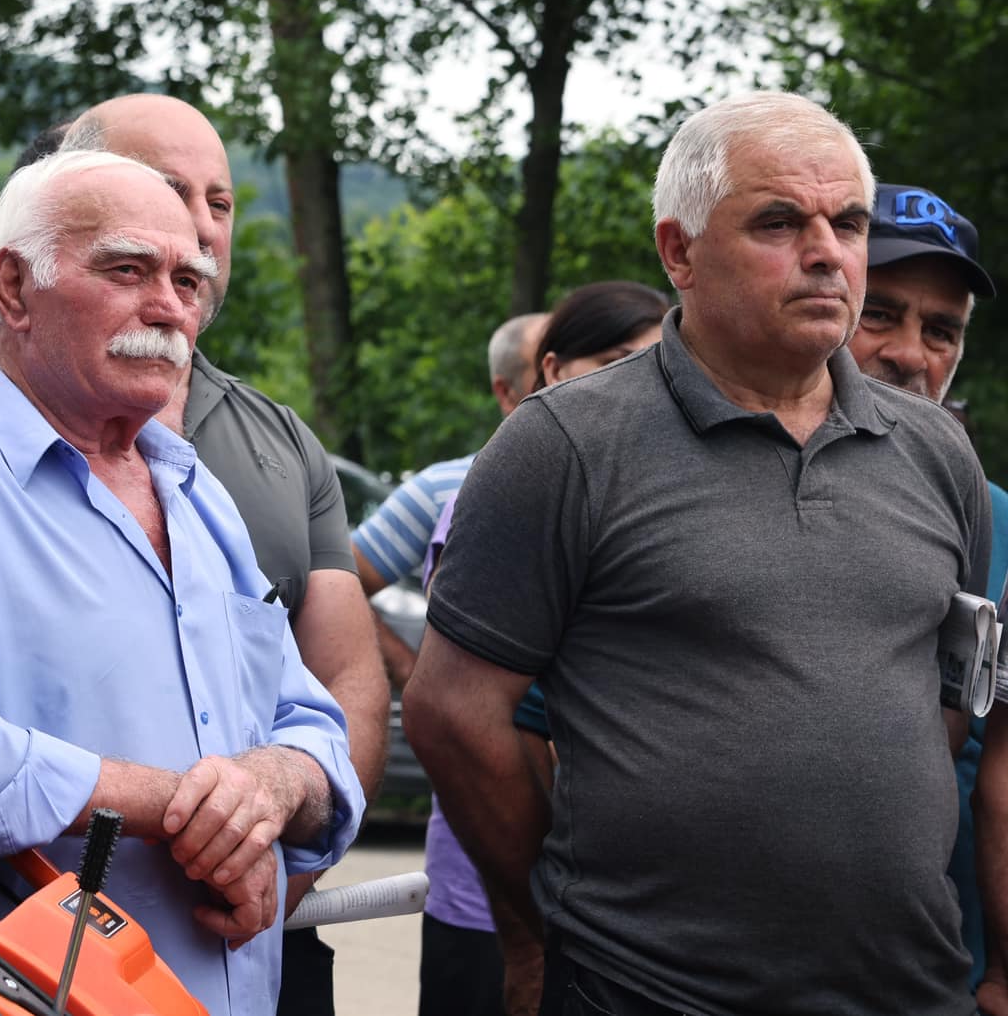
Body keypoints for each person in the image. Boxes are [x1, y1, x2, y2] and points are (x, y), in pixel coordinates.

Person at [404, 91, 992, 1016]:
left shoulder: (938, 454)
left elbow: (944, 701)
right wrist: (540, 924)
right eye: (779, 222)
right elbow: (451, 712)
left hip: (910, 988)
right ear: (679, 251)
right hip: (648, 991)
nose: (826, 252)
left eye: (847, 223)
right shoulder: (564, 445)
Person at [0, 148, 363, 1016]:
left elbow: (310, 722)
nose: (169, 308)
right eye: (127, 270)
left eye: (189, 281)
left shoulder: (198, 494)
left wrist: (269, 790)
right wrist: (182, 807)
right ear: (14, 288)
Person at [413, 282, 668, 1016]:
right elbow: (461, 707)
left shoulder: (660, 502)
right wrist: (529, 936)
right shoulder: (504, 494)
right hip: (498, 891)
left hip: (630, 919)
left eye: (659, 366)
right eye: (617, 361)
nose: (641, 387)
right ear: (550, 370)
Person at [841, 183, 1005, 999]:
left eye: (941, 331)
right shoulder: (704, 492)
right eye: (880, 314)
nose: (911, 355)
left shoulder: (1001, 521)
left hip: (940, 968)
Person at [349, 312, 545, 686]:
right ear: (505, 392)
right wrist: (407, 667)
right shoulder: (444, 488)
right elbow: (340, 583)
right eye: (547, 368)